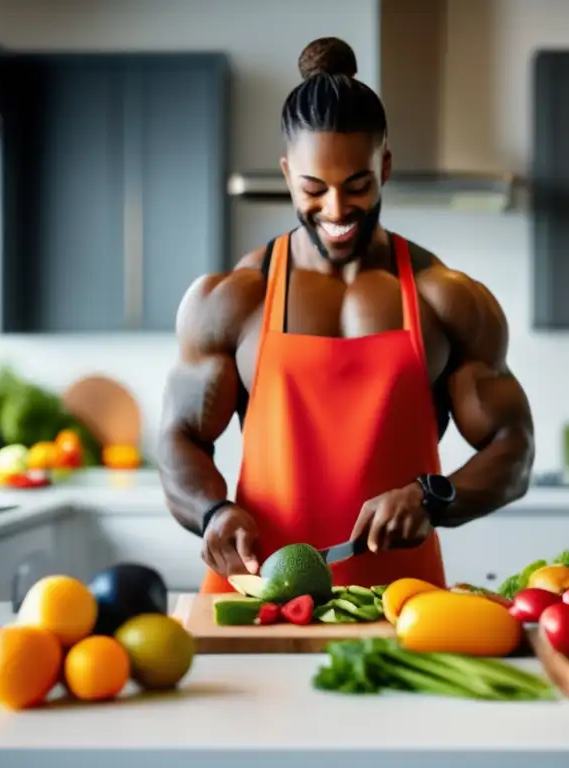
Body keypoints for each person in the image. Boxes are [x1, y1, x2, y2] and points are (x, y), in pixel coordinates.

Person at [157, 36, 535, 594]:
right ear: (288, 175)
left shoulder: (446, 299)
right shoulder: (233, 300)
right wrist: (212, 512)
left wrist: (432, 497)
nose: (335, 210)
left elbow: (514, 446)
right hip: (262, 598)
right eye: (314, 189)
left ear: (384, 166)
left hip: (403, 606)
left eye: (357, 185)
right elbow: (179, 437)